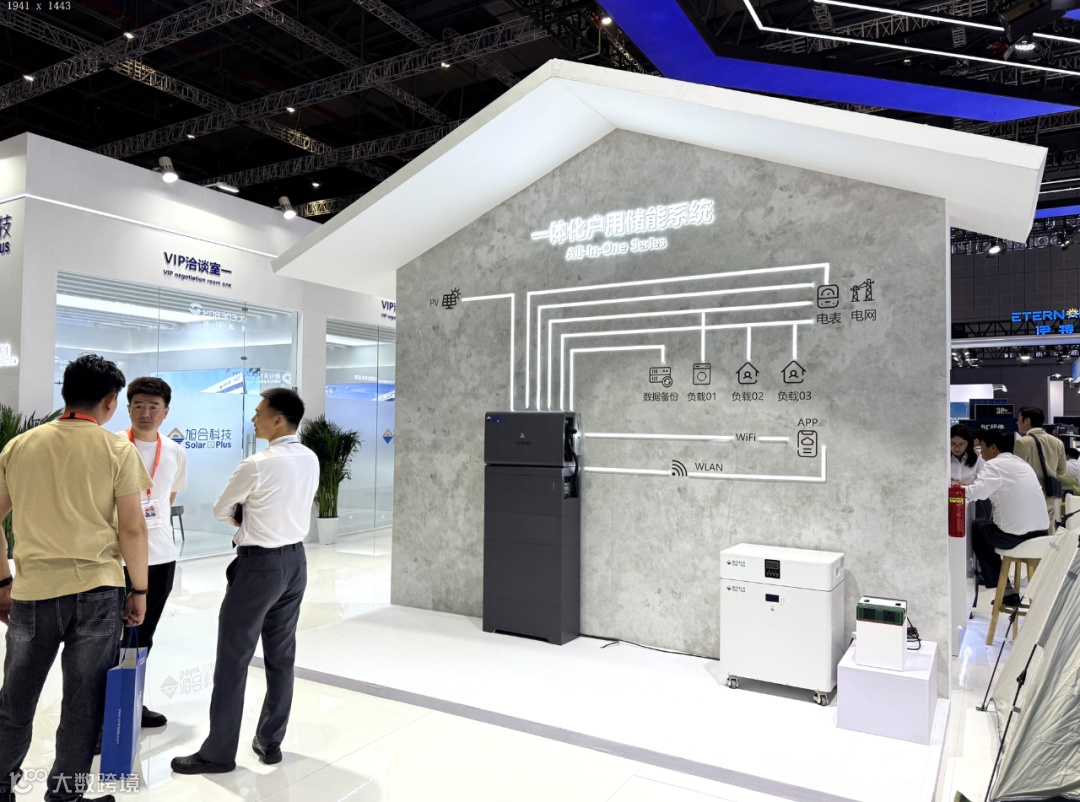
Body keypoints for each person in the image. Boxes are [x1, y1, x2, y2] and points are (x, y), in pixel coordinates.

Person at [0, 354, 151, 802]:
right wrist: (140, 589)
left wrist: (3, 582)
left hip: (32, 591)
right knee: (82, 706)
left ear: (65, 393)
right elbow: (132, 528)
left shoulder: (19, 446)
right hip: (98, 591)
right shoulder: (117, 449)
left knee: (15, 701)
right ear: (110, 401)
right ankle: (65, 796)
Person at [171, 389, 318, 775]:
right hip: (296, 563)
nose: (253, 419)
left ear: (278, 420)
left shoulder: (257, 464)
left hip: (259, 568)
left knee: (233, 660)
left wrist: (243, 517)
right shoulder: (310, 457)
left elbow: (221, 509)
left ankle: (218, 753)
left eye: (259, 413)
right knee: (281, 656)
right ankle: (270, 742)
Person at [123, 377, 187, 729]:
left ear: (166, 412)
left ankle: (131, 702)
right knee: (109, 637)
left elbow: (167, 498)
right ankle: (102, 709)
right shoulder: (114, 445)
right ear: (127, 408)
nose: (145, 413)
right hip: (117, 557)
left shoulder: (175, 451)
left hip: (161, 556)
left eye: (153, 407)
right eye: (138, 405)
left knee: (144, 634)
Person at [959, 427, 1050, 606]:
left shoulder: (994, 465)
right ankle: (1010, 592)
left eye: (982, 447)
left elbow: (976, 493)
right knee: (986, 526)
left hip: (1015, 537)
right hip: (1042, 535)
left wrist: (954, 489)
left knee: (977, 527)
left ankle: (1005, 591)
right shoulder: (1022, 464)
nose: (981, 452)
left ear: (993, 448)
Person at [1013, 406, 1067, 513]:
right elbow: (1062, 471)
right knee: (1049, 522)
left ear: (1027, 421)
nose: (1017, 423)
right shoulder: (1058, 442)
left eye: (1019, 419)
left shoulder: (1023, 442)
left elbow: (1017, 472)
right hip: (1050, 494)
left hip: (1029, 495)